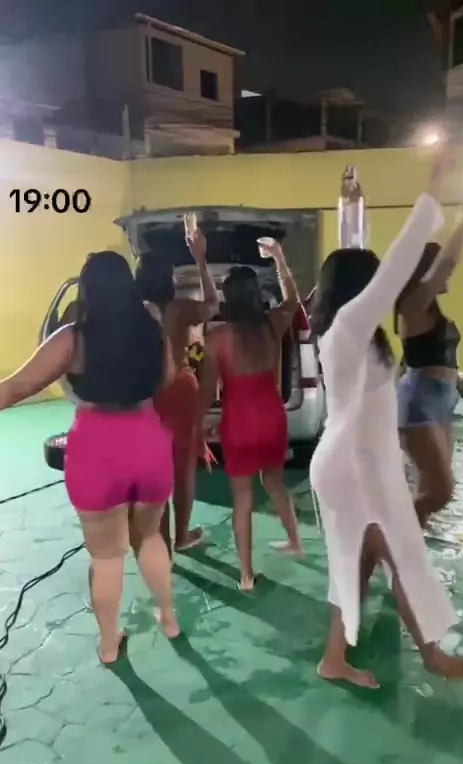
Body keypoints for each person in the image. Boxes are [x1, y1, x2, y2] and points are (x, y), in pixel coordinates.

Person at [309, 149, 463, 688]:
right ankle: (435, 659)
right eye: (374, 278)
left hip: (363, 462)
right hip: (351, 466)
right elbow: (400, 266)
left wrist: (355, 197)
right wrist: (434, 184)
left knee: (370, 557)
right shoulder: (348, 327)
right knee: (396, 553)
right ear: (359, 288)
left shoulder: (358, 333)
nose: (384, 286)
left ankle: (338, 658)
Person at [0, 251, 179, 663]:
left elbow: (14, 388)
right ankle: (169, 618)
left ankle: (109, 643)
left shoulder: (72, 338)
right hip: (148, 440)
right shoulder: (152, 325)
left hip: (97, 448)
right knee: (150, 537)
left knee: (106, 555)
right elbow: (169, 376)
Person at [197, 241, 303, 591]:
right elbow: (293, 300)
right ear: (257, 295)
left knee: (242, 498)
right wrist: (280, 258)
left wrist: (197, 427)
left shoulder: (218, 337)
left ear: (228, 298)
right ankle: (295, 541)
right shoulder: (272, 323)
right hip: (272, 418)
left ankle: (245, 575)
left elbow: (207, 391)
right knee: (274, 482)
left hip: (240, 424)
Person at [395, 200, 463, 527]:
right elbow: (448, 262)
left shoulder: (430, 311)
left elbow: (447, 362)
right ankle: (386, 535)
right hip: (421, 401)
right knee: (441, 492)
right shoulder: (412, 305)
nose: (448, 276)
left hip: (441, 399)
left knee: (429, 489)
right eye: (441, 272)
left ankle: (408, 544)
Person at [135, 227, 219, 555]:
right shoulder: (179, 309)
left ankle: (160, 542)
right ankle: (182, 535)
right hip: (181, 391)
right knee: (183, 469)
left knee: (154, 470)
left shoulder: (135, 311)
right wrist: (201, 260)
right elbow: (212, 304)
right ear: (167, 279)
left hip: (146, 391)